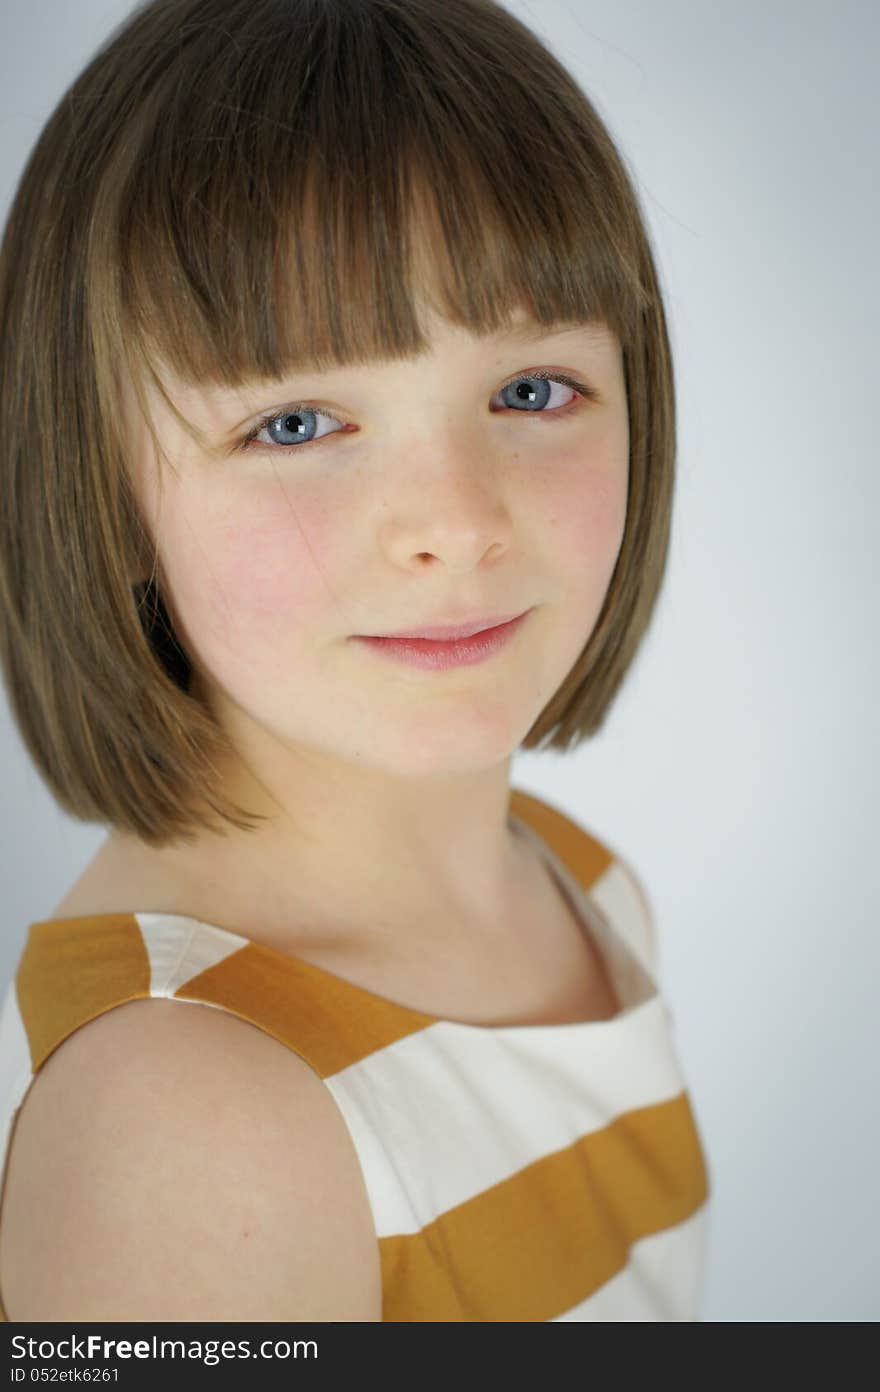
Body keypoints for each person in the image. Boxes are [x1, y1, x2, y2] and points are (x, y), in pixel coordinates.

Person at [0, 0, 710, 1321]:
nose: (456, 522)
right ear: (105, 496)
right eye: (298, 421)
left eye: (532, 391)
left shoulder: (586, 887)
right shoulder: (190, 1118)